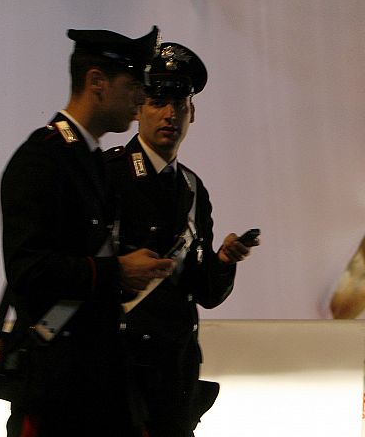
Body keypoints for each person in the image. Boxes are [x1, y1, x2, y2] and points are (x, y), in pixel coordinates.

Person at [0, 27, 176, 437]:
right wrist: (116, 272)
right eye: (133, 85)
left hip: (99, 384)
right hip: (58, 393)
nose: (141, 98)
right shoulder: (42, 160)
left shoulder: (89, 161)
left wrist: (128, 275)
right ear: (96, 82)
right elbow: (29, 272)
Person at [105, 41, 258, 436]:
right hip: (118, 375)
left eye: (179, 103)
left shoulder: (192, 187)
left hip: (174, 377)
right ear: (138, 108)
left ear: (193, 112)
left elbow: (204, 293)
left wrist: (223, 261)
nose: (169, 114)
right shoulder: (107, 175)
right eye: (158, 102)